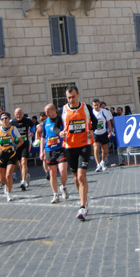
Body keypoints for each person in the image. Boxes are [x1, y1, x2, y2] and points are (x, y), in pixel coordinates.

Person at [55, 85, 97, 221]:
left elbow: (95, 122)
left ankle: (82, 206)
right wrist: (59, 132)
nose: (71, 100)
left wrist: (92, 131)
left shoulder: (86, 108)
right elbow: (55, 126)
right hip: (69, 147)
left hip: (84, 145)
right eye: (68, 98)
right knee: (75, 176)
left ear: (78, 94)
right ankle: (84, 198)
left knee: (81, 176)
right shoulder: (62, 110)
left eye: (73, 97)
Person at [40, 104, 69, 204]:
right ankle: (55, 195)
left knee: (63, 170)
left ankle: (63, 187)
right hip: (49, 150)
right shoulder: (44, 122)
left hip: (60, 148)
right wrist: (41, 151)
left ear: (53, 111)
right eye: (45, 112)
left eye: (48, 112)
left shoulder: (61, 119)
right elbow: (43, 137)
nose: (46, 114)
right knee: (52, 173)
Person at [0, 112, 23, 201]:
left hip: (11, 154)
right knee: (2, 179)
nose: (4, 120)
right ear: (0, 120)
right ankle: (5, 185)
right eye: (2, 119)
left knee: (8, 175)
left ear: (9, 119)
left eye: (6, 118)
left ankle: (9, 193)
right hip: (1, 155)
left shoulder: (13, 129)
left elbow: (21, 141)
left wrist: (15, 147)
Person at [11, 107, 34, 191]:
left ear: (23, 113)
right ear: (14, 114)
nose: (19, 116)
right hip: (17, 145)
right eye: (17, 114)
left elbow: (33, 126)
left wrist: (32, 132)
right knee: (20, 164)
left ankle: (23, 181)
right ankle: (26, 175)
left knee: (24, 162)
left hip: (25, 144)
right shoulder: (12, 122)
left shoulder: (27, 120)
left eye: (20, 114)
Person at [91, 98, 113, 172]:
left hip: (103, 132)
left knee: (105, 150)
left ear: (99, 105)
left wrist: (110, 131)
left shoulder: (104, 111)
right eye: (94, 105)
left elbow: (109, 122)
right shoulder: (91, 113)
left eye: (97, 105)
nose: (96, 106)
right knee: (96, 148)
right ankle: (98, 164)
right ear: (92, 105)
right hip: (95, 133)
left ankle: (102, 162)